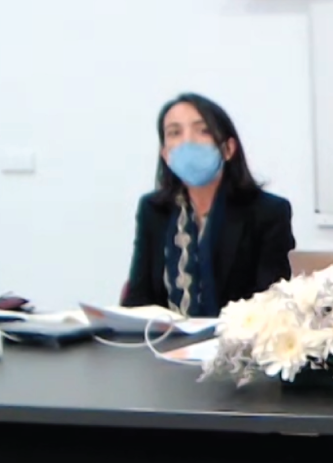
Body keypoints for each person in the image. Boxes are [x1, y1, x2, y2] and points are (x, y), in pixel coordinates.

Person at [123, 94, 295, 317]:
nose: (188, 142)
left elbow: (271, 305)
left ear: (228, 149)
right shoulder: (153, 210)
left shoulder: (268, 212)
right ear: (165, 155)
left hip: (234, 337)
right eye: (175, 133)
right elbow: (137, 300)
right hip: (164, 337)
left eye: (202, 131)